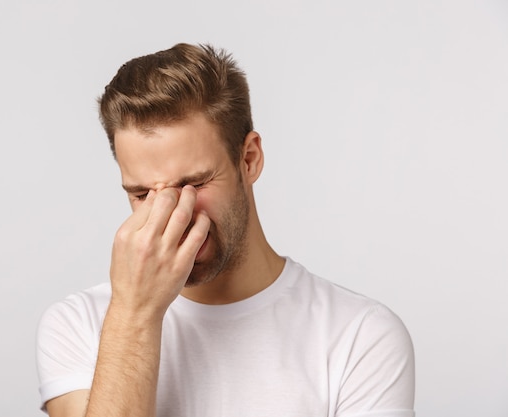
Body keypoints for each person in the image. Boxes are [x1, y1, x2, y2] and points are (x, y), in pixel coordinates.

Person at [36, 43, 415, 417]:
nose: (172, 216)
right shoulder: (79, 325)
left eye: (194, 185)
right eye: (141, 193)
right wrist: (136, 313)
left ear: (248, 160)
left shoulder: (359, 335)